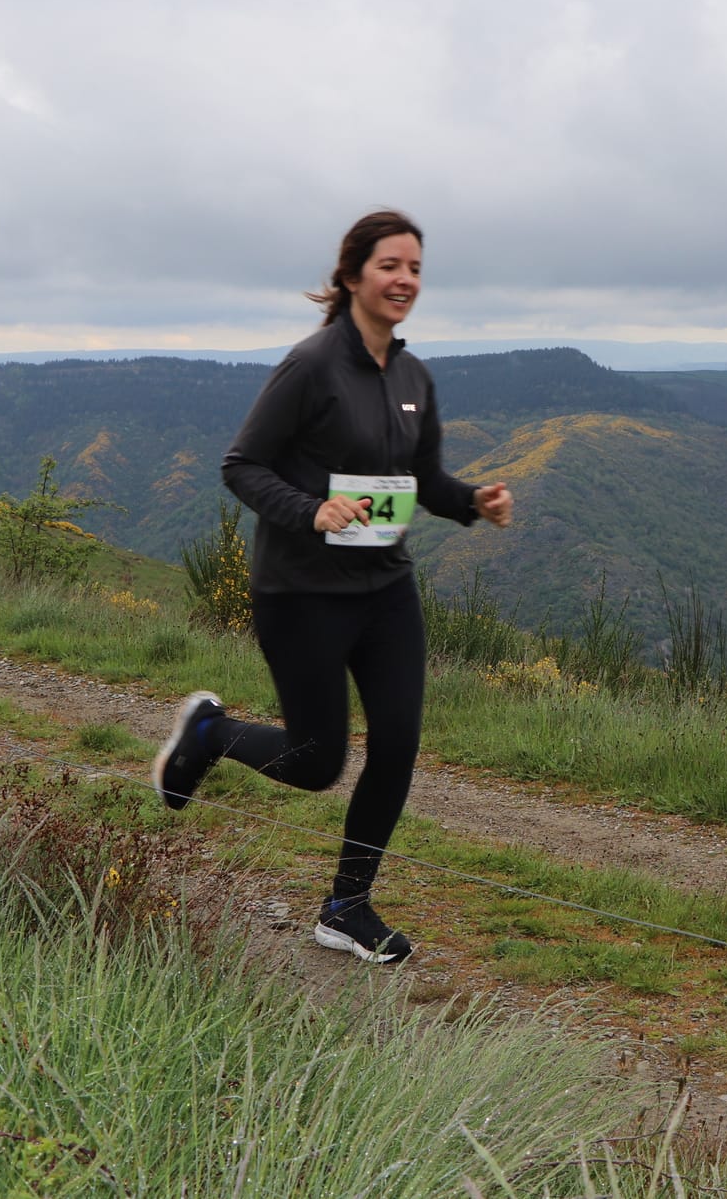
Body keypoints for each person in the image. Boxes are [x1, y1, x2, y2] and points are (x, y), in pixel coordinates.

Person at [155, 209, 513, 964]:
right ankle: (209, 733)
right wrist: (311, 510)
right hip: (302, 591)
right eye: (390, 266)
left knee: (398, 743)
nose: (405, 280)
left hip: (385, 588)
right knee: (317, 762)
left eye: (415, 268)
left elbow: (421, 479)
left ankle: (347, 906)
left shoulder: (413, 377)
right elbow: (241, 465)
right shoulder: (311, 366)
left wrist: (472, 500)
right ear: (352, 275)